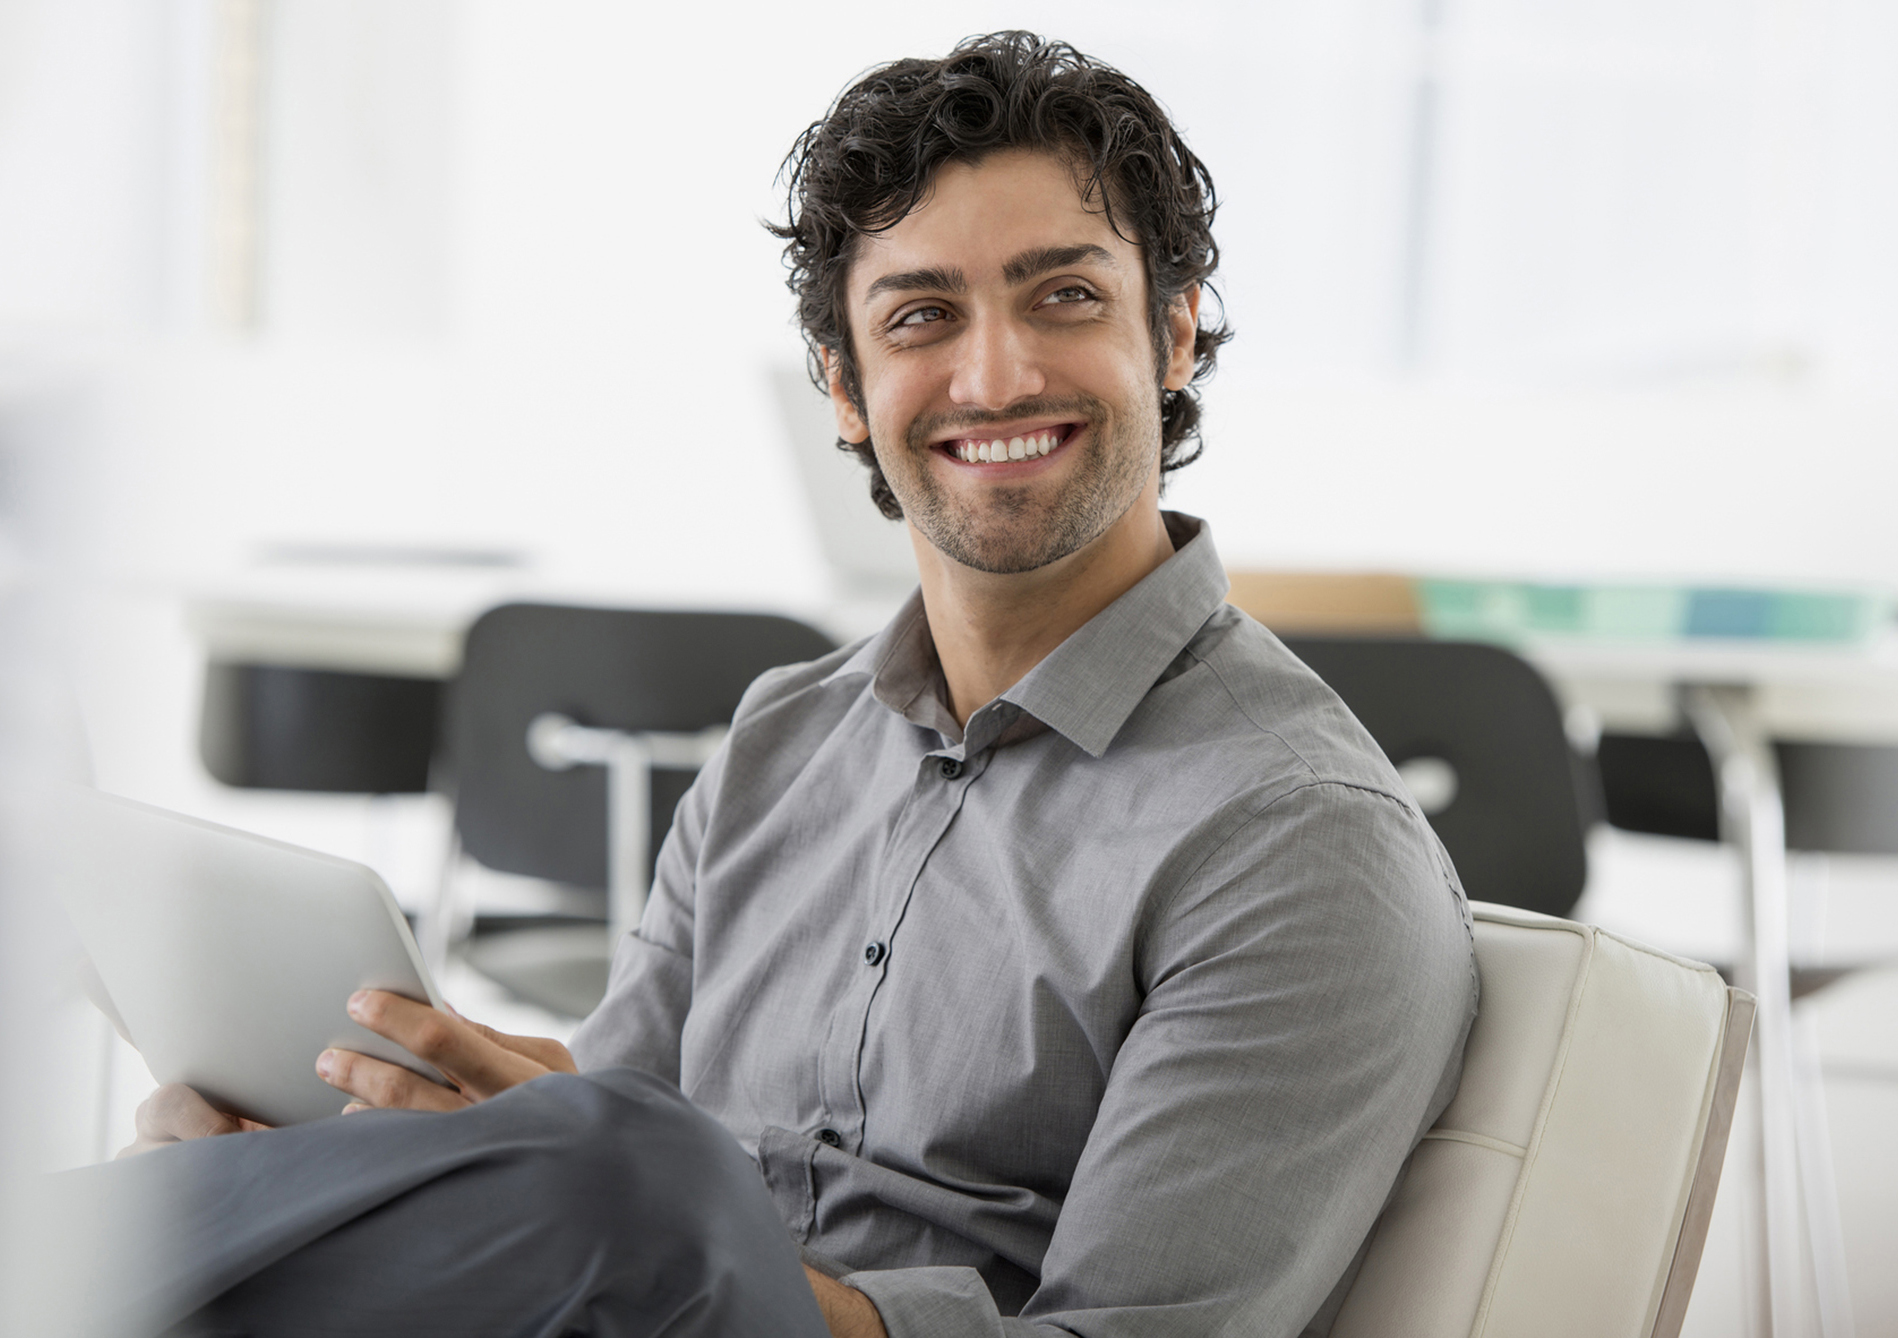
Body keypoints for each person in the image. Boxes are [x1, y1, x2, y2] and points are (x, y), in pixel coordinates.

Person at [91, 32, 1475, 1338]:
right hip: (599, 1286)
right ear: (842, 383)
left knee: (624, 1184)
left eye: (1064, 296)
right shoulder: (784, 738)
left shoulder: (1297, 834)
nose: (993, 373)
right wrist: (386, 1130)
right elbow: (610, 1125)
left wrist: (662, 1221)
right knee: (196, 1177)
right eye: (921, 314)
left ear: (1169, 338)